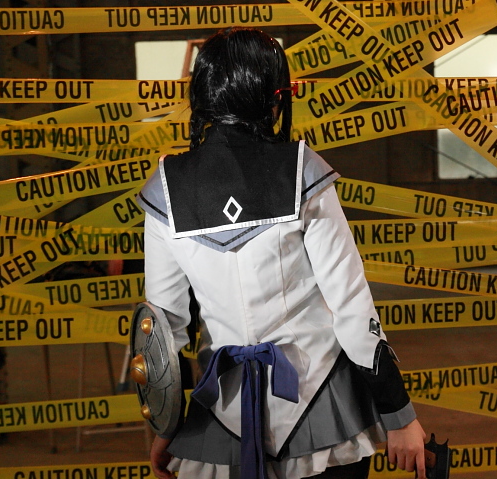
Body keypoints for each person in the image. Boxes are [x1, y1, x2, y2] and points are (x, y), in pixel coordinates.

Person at [137, 27, 427, 479]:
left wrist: (168, 428)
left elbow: (162, 333)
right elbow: (351, 308)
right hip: (322, 412)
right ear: (273, 96)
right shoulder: (302, 170)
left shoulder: (165, 190)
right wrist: (399, 414)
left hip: (219, 419)